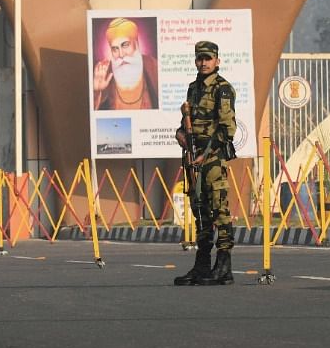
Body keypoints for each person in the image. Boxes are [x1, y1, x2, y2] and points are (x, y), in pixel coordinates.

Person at [173, 40, 237, 286]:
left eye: (208, 58)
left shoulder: (222, 89)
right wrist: (181, 134)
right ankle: (201, 265)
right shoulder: (193, 88)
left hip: (212, 160)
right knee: (199, 211)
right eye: (200, 58)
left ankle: (223, 267)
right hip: (193, 158)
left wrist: (205, 154)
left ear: (217, 61)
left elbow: (226, 129)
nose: (203, 62)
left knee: (219, 210)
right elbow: (187, 122)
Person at [92, 18, 159, 110]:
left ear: (136, 44)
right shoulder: (106, 74)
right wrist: (96, 92)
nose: (121, 54)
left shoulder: (152, 66)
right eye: (115, 49)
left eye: (125, 45)